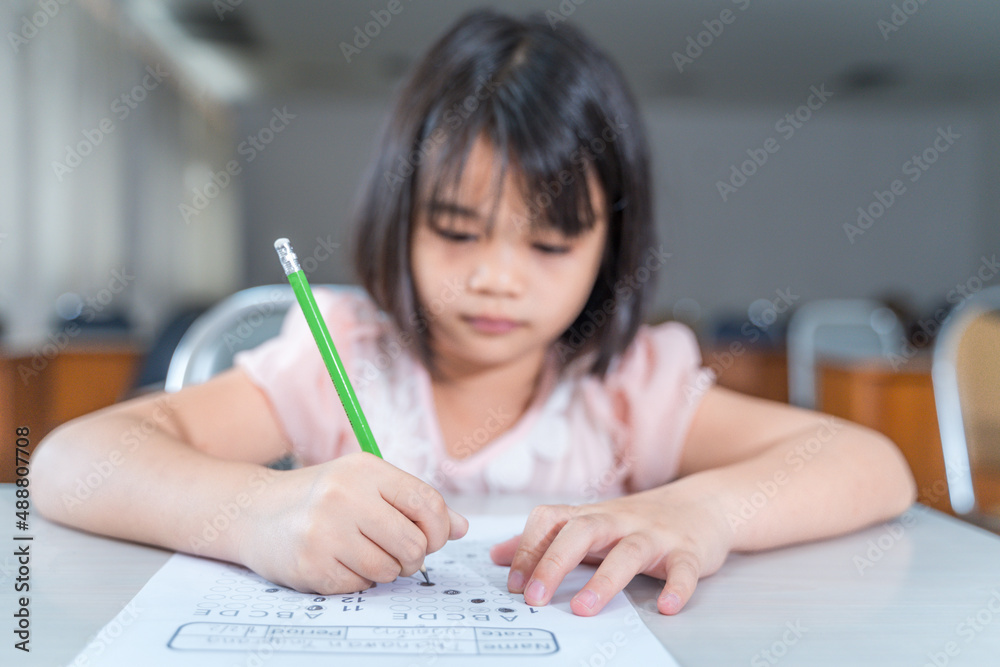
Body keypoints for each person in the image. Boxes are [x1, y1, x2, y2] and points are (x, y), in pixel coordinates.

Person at [32, 9, 915, 618]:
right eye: (457, 230)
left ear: (611, 244)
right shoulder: (340, 354)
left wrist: (703, 512)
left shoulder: (623, 384)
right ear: (399, 219)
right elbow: (71, 461)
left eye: (548, 245)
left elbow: (871, 463)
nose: (495, 278)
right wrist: (252, 512)